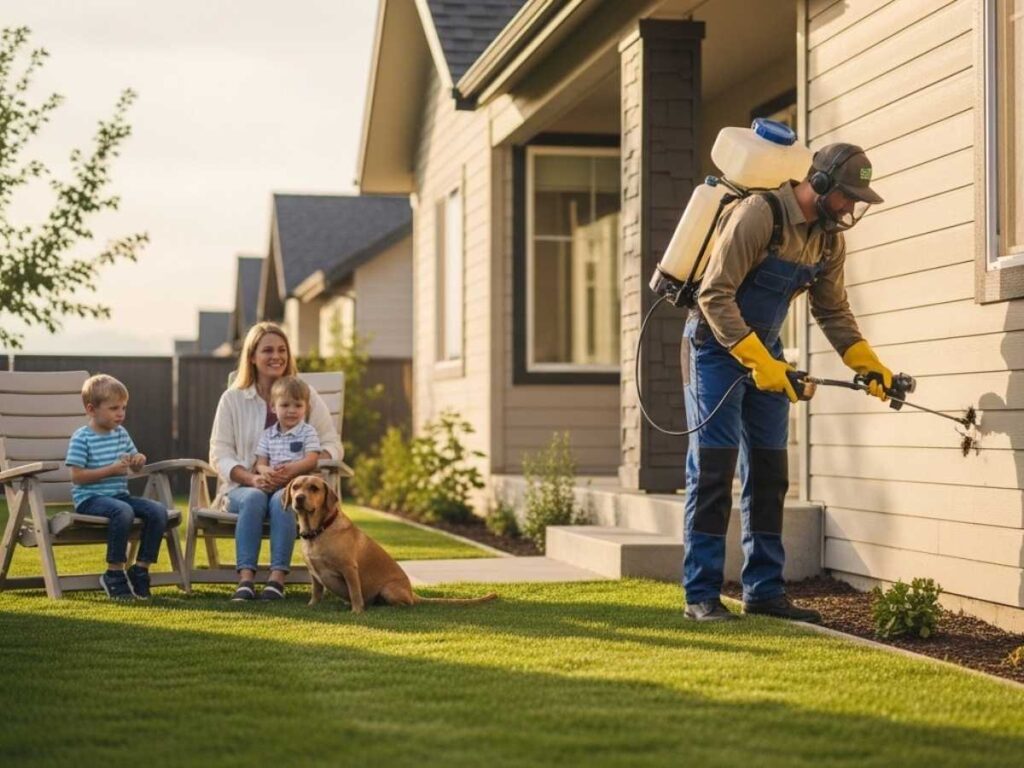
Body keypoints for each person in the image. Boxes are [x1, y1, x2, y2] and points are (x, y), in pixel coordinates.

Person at [682, 142, 892, 622]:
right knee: (714, 469)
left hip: (767, 355)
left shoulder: (828, 239)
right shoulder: (760, 214)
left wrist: (868, 364)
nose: (851, 207)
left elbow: (833, 310)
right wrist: (755, 359)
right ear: (817, 183)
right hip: (713, 349)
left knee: (770, 472)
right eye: (846, 196)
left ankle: (764, 591)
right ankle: (701, 594)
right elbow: (715, 295)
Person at [209, 322, 341, 602]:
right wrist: (251, 478)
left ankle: (276, 580)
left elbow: (332, 445)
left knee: (284, 499)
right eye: (267, 350)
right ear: (252, 357)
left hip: (292, 488)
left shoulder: (304, 395)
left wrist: (302, 469)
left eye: (282, 350)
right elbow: (219, 453)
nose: (276, 356)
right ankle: (245, 580)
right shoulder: (233, 399)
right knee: (256, 497)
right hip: (241, 488)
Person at [65, 374, 168, 600]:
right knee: (123, 511)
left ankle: (140, 569)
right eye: (114, 408)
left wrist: (139, 459)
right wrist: (110, 470)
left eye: (123, 407)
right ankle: (113, 573)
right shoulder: (82, 438)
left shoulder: (121, 434)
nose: (121, 413)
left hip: (119, 496)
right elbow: (77, 477)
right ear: (91, 409)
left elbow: (134, 462)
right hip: (90, 499)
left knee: (158, 511)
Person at [253, 376, 321, 484]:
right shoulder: (267, 435)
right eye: (285, 405)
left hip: (296, 486)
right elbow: (261, 463)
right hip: (271, 482)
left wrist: (292, 468)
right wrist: (267, 471)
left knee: (280, 499)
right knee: (255, 496)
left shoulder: (308, 432)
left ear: (306, 408)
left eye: (298, 406)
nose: (292, 411)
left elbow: (311, 460)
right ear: (273, 407)